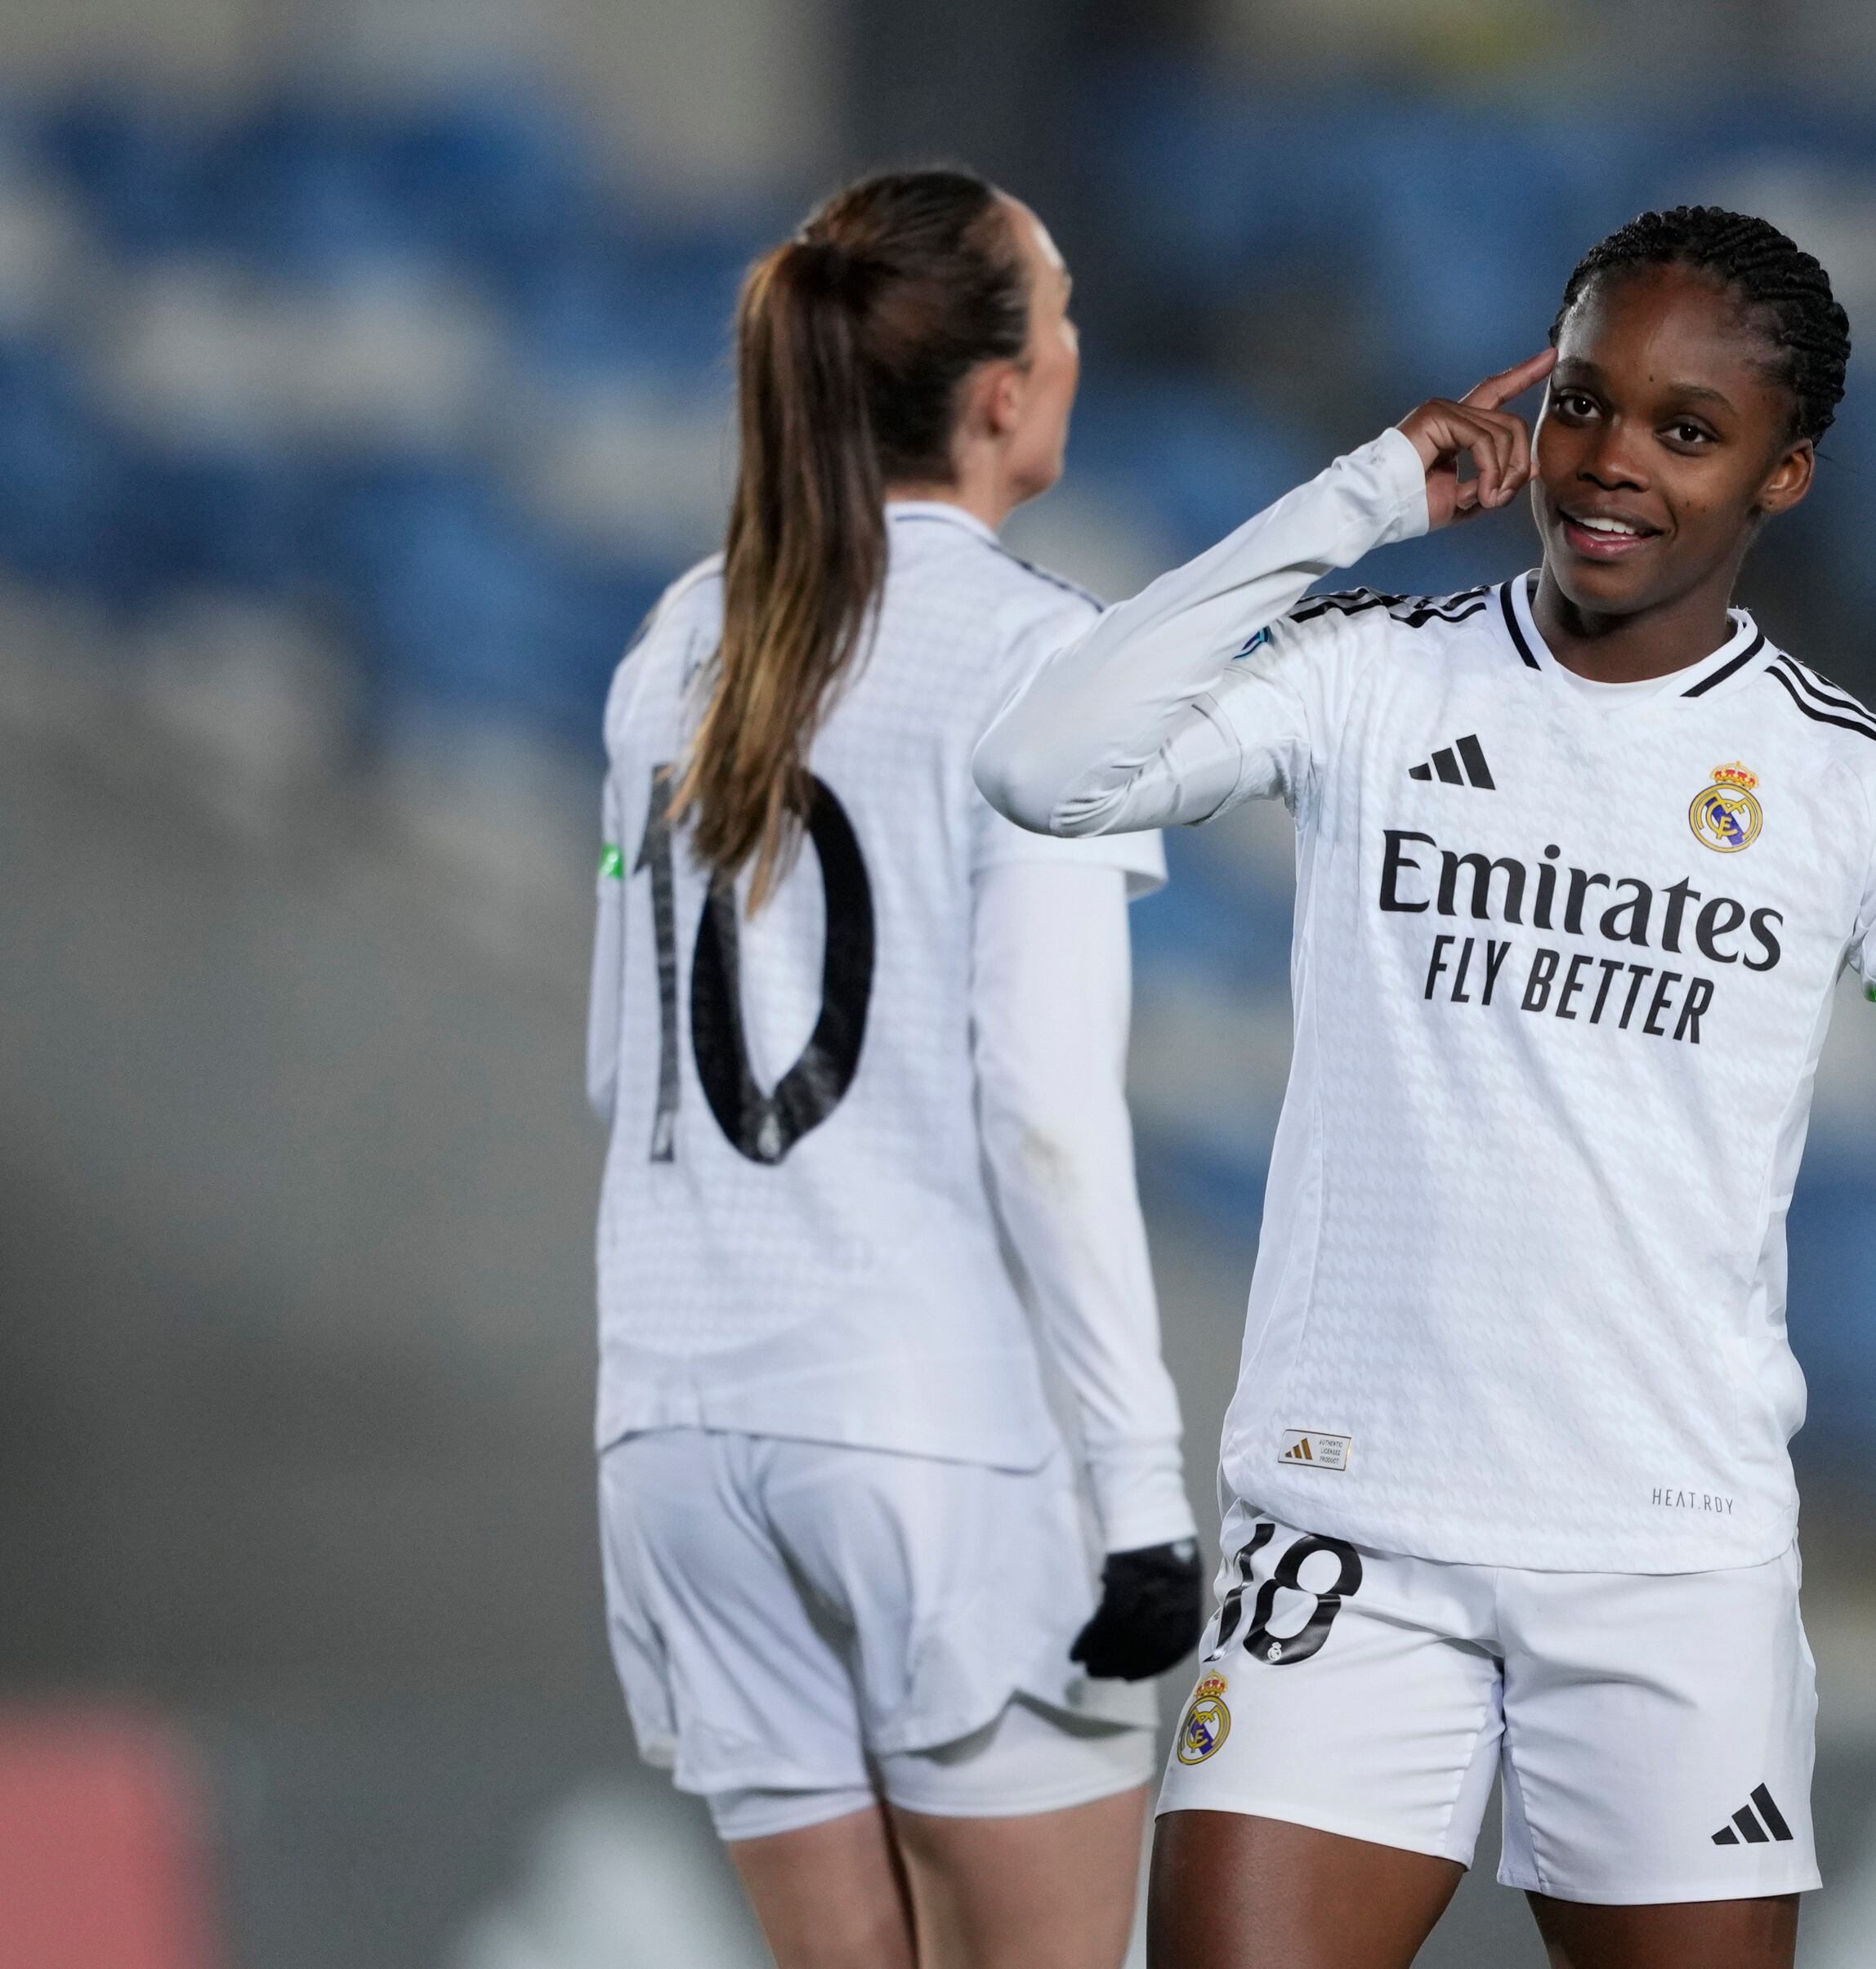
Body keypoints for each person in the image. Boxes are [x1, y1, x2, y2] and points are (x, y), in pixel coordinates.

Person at [970, 205, 1876, 1969]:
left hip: (1661, 1564)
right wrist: (1361, 498)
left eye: (1686, 432)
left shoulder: (1857, 790)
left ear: (1785, 473)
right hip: (1348, 1540)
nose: (1611, 464)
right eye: (1580, 403)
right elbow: (1039, 763)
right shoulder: (1371, 677)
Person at [585, 167, 1204, 1969]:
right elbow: (1041, 1101)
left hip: (675, 1427)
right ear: (1000, 391)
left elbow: (626, 1081)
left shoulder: (672, 645)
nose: (1080, 347)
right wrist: (1142, 1488)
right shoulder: (1034, 653)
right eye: (1061, 309)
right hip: (929, 1426)